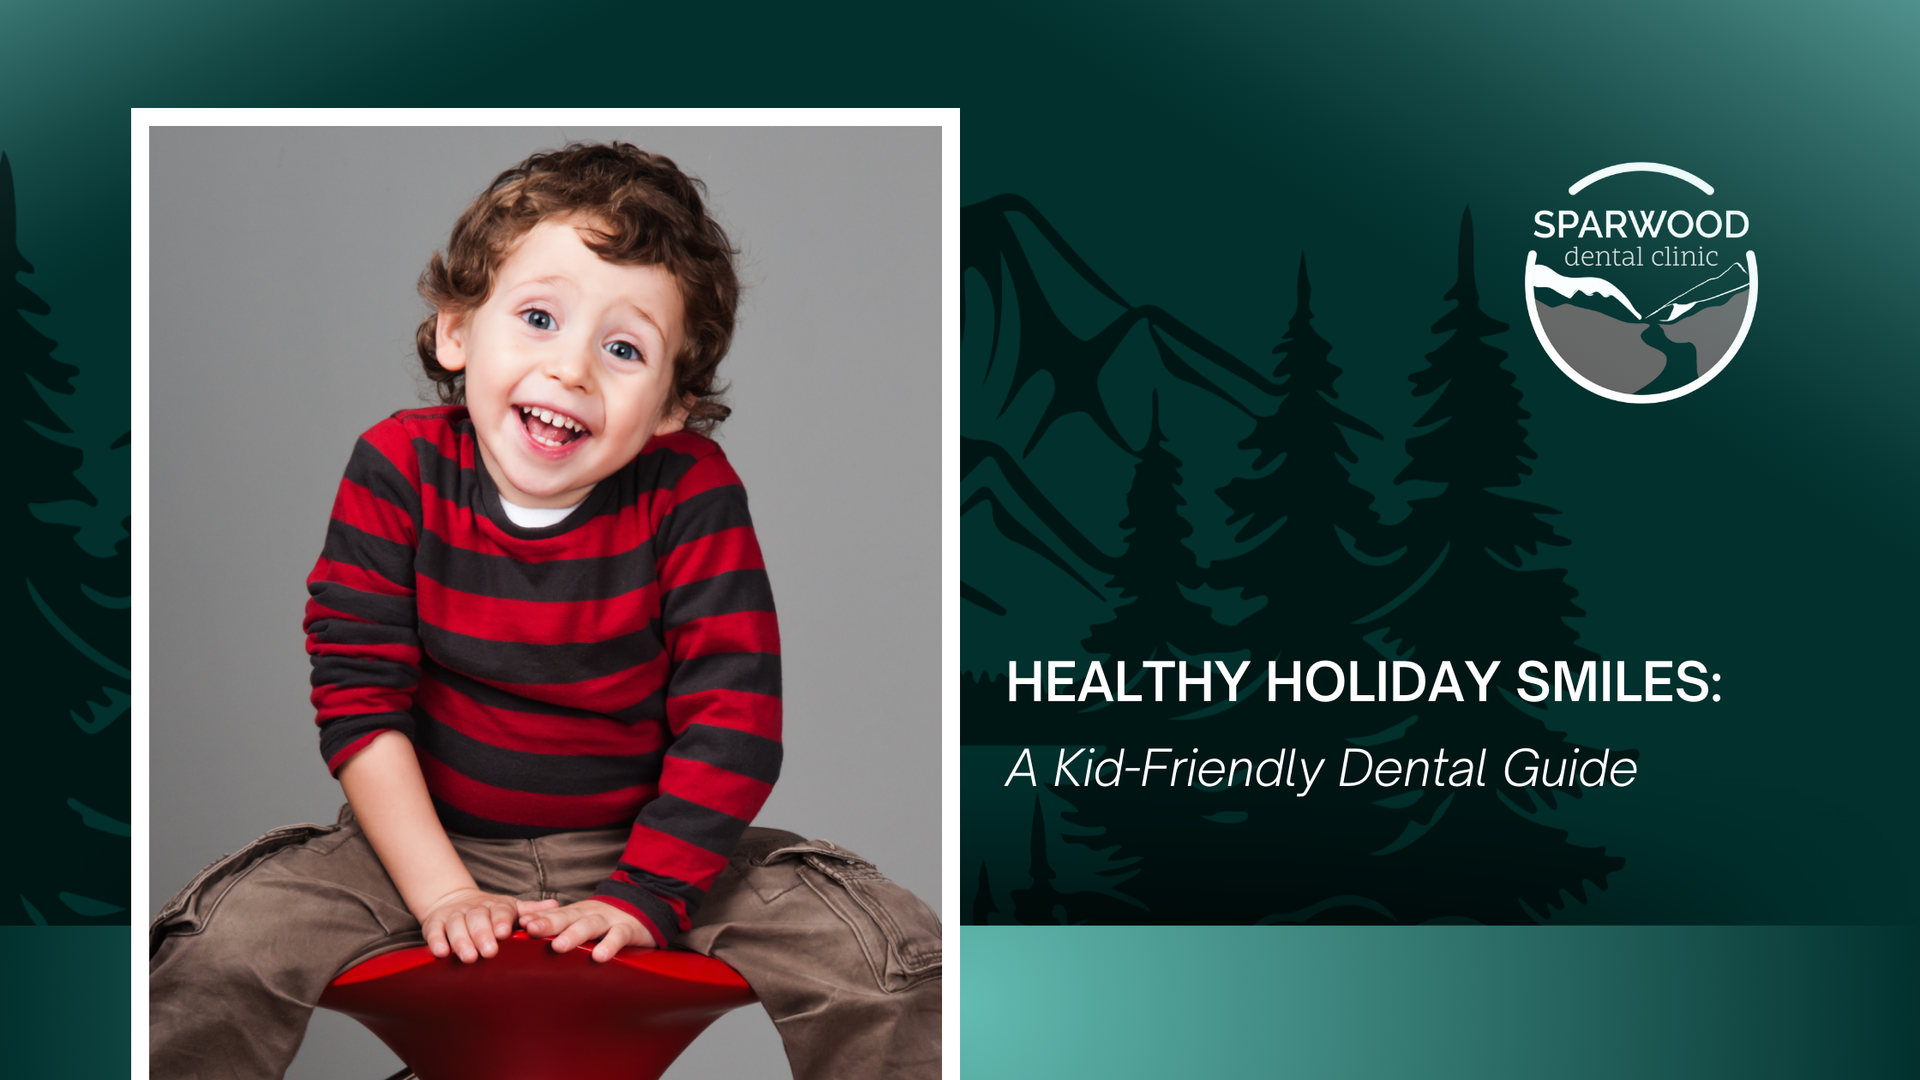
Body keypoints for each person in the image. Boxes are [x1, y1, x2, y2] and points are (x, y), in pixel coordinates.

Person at [149, 142, 940, 1080]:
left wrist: (645, 894)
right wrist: (442, 889)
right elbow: (360, 700)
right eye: (537, 318)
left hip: (644, 843)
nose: (571, 370)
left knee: (891, 960)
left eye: (623, 348)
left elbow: (734, 717)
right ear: (455, 332)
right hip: (422, 841)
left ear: (672, 407)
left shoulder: (689, 492)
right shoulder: (396, 467)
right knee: (214, 951)